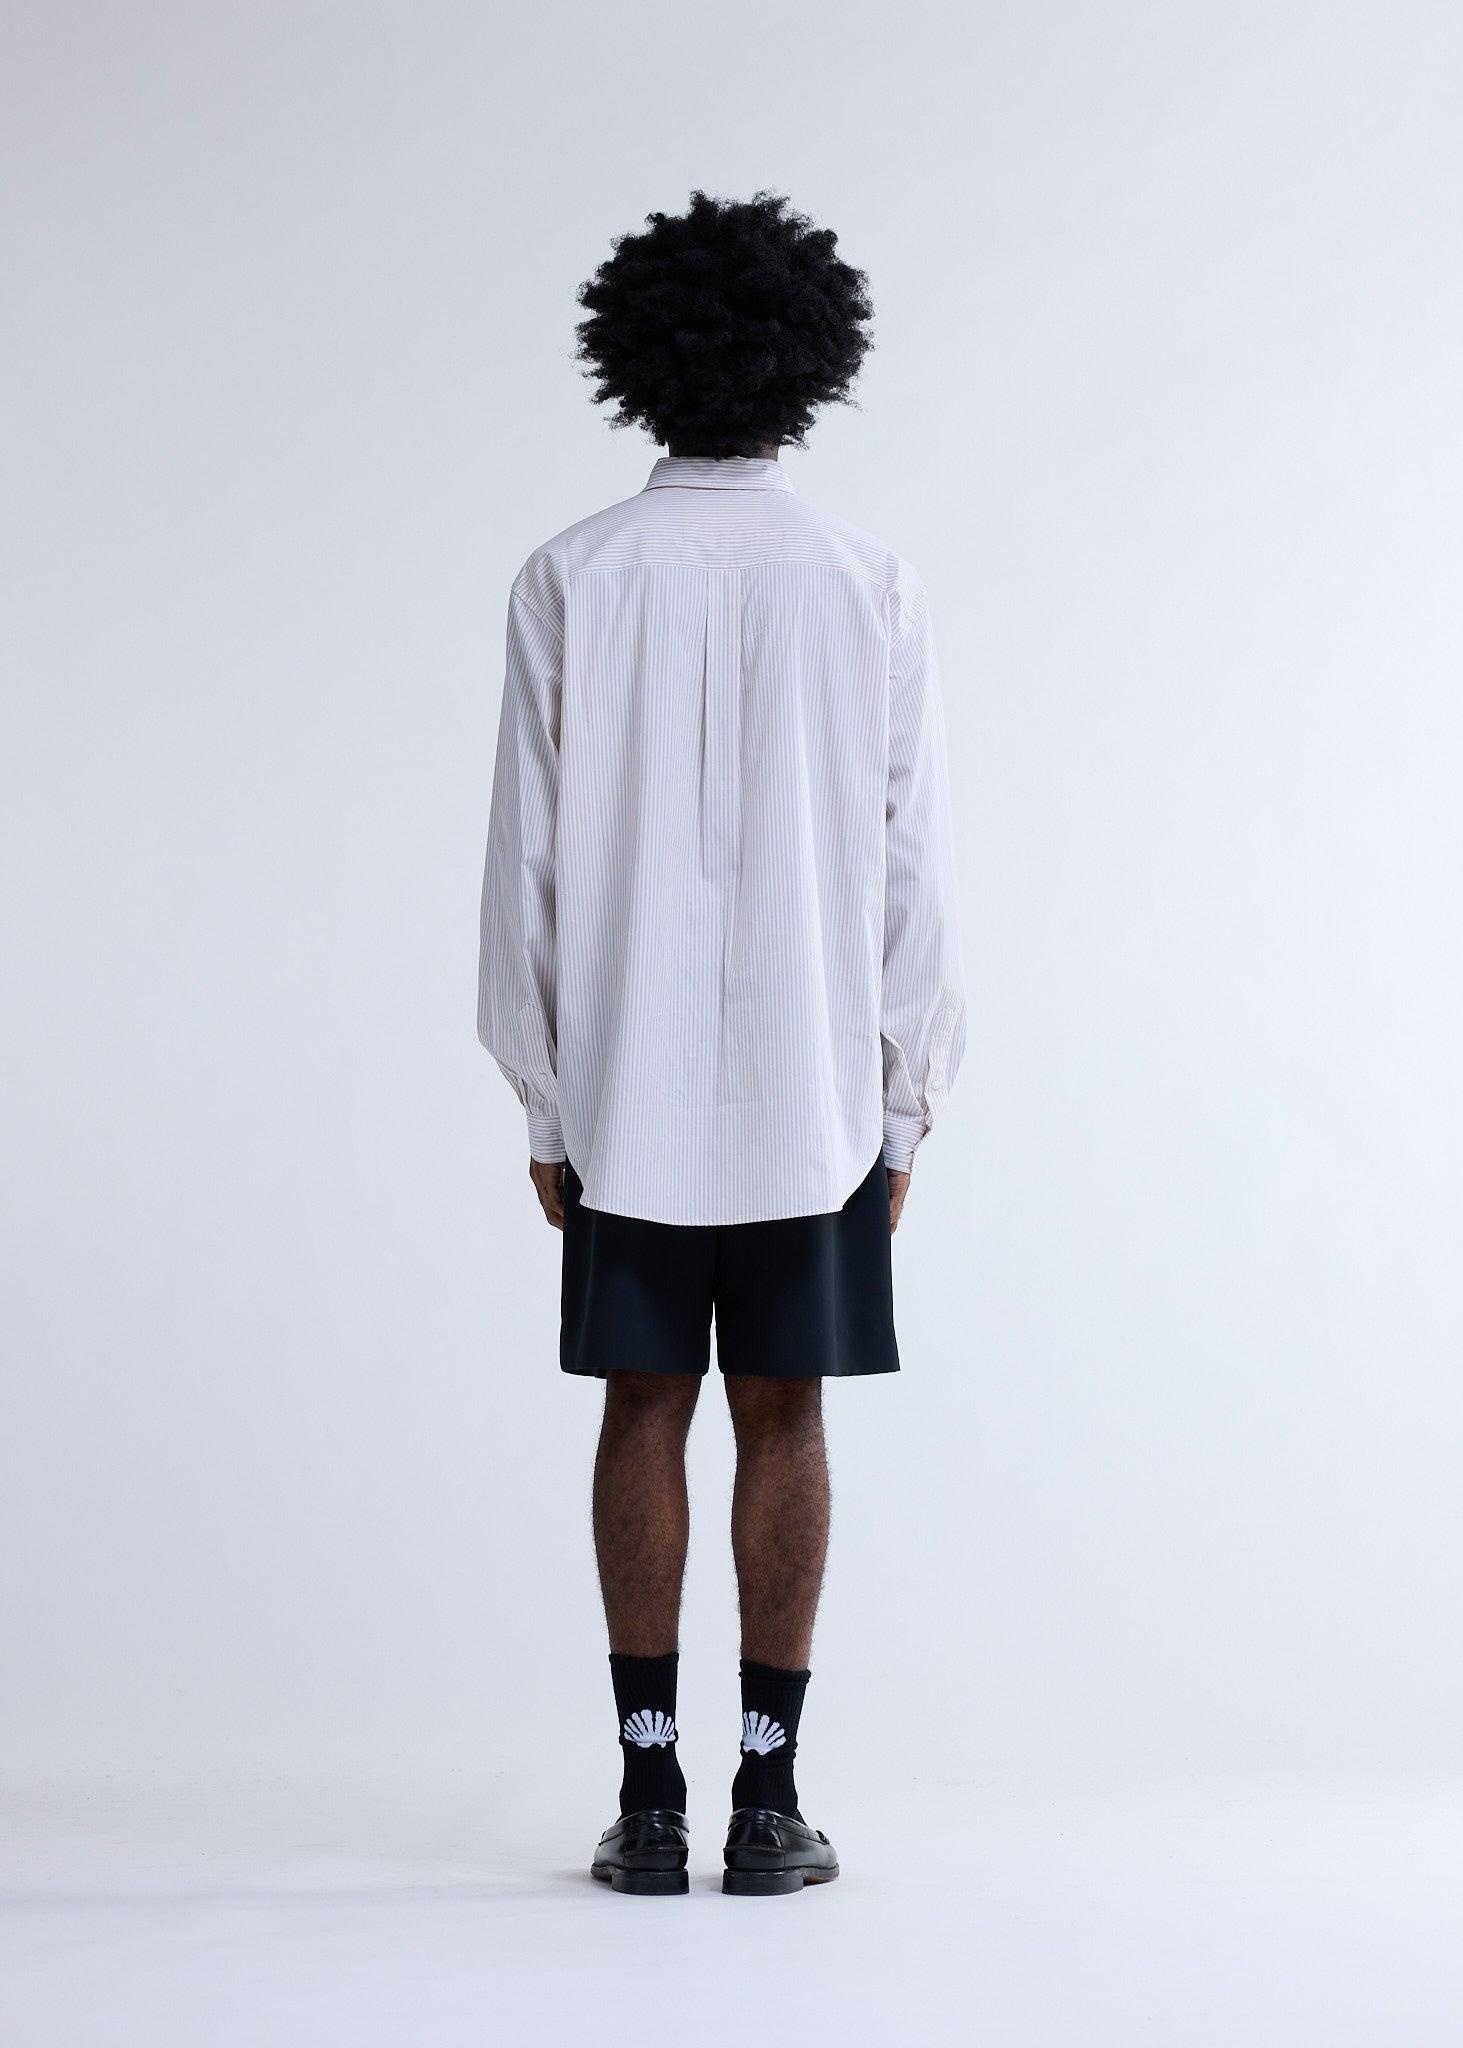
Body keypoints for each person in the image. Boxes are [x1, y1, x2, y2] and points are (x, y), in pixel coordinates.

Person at [478, 190, 965, 1896]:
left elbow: (524, 865)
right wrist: (904, 1103)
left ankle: (649, 1798)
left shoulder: (570, 575)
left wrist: (546, 1102)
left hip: (626, 1082)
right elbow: (912, 861)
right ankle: (770, 1798)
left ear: (640, 360)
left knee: (641, 1405)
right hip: (815, 1090)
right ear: (808, 366)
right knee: (786, 1413)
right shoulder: (870, 583)